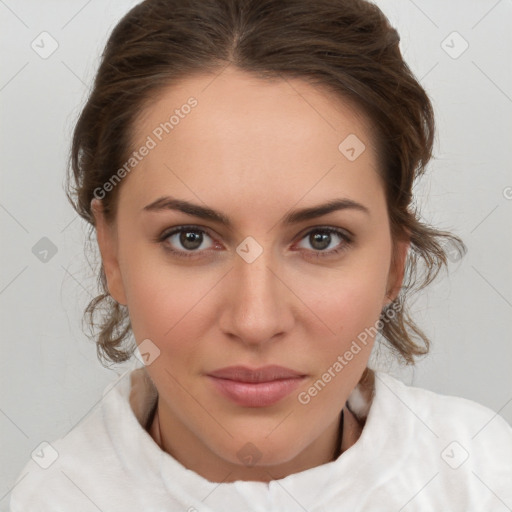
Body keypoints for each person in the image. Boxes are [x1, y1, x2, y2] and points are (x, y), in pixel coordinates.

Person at [10, 0, 512, 510]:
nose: (255, 322)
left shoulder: (486, 479)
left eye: (322, 239)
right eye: (190, 238)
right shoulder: (49, 498)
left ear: (394, 262)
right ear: (111, 253)